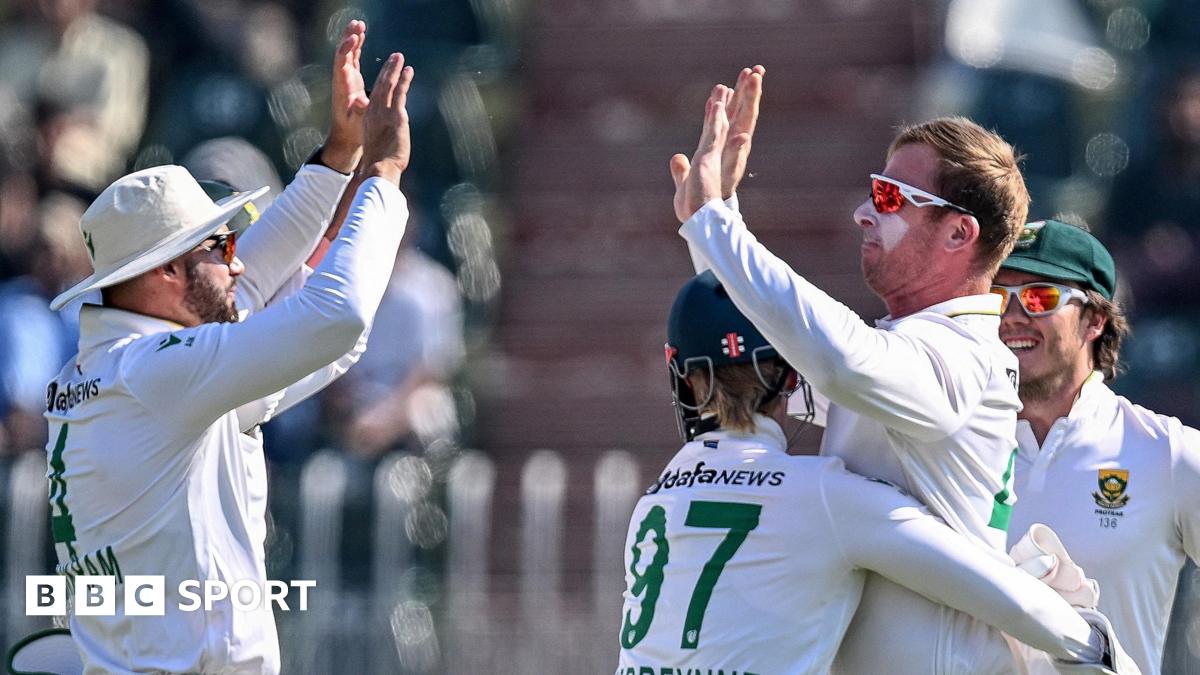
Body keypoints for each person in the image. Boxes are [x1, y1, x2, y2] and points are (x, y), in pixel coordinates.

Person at [40, 20, 415, 673]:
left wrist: (339, 155)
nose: (237, 260)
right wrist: (381, 173)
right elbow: (337, 316)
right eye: (220, 244)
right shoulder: (159, 375)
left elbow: (275, 298)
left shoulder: (119, 369)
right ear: (165, 271)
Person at [671, 68, 1035, 672]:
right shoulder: (911, 349)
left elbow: (840, 363)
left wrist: (717, 227)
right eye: (874, 191)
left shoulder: (963, 356)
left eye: (891, 198)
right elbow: (772, 357)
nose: (864, 212)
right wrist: (712, 224)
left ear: (958, 233)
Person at [617, 270, 1137, 674]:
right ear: (793, 376)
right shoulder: (827, 495)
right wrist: (1094, 645)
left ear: (683, 378)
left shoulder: (656, 497)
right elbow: (992, 589)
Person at [996, 219, 1200, 674]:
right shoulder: (950, 443)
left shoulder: (1165, 453)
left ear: (1095, 320)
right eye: (998, 298)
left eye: (1039, 297)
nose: (1012, 316)